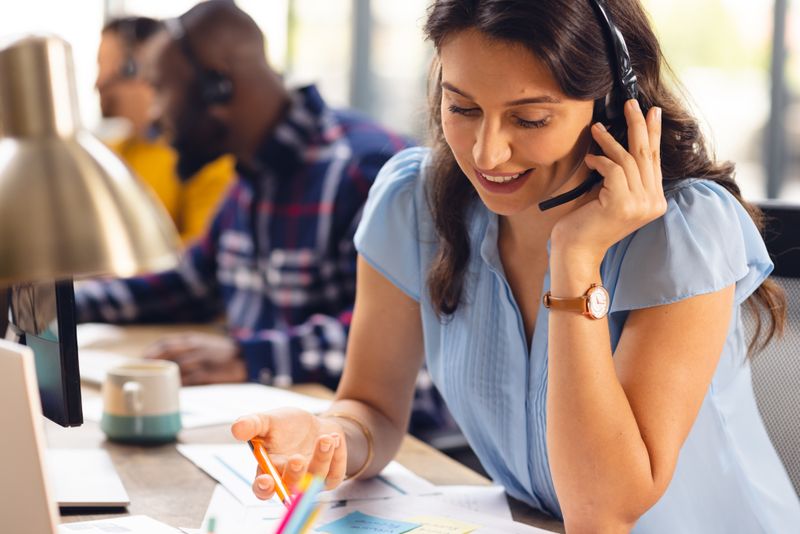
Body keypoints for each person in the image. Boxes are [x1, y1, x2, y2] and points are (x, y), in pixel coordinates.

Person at [230, 0, 800, 532]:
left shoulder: (685, 231)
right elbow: (372, 407)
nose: (486, 154)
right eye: (463, 108)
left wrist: (576, 260)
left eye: (528, 120)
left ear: (611, 107)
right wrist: (330, 435)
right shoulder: (413, 202)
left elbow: (602, 511)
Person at [75, 1, 433, 413]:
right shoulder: (248, 178)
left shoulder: (369, 170)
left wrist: (248, 357)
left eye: (160, 91)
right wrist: (63, 304)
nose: (153, 118)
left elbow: (407, 336)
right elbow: (189, 283)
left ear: (218, 87)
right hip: (266, 428)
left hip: (375, 447)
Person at [96, 16, 234, 243]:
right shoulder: (110, 154)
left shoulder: (204, 162)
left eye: (101, 64)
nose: (97, 82)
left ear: (134, 67)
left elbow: (202, 256)